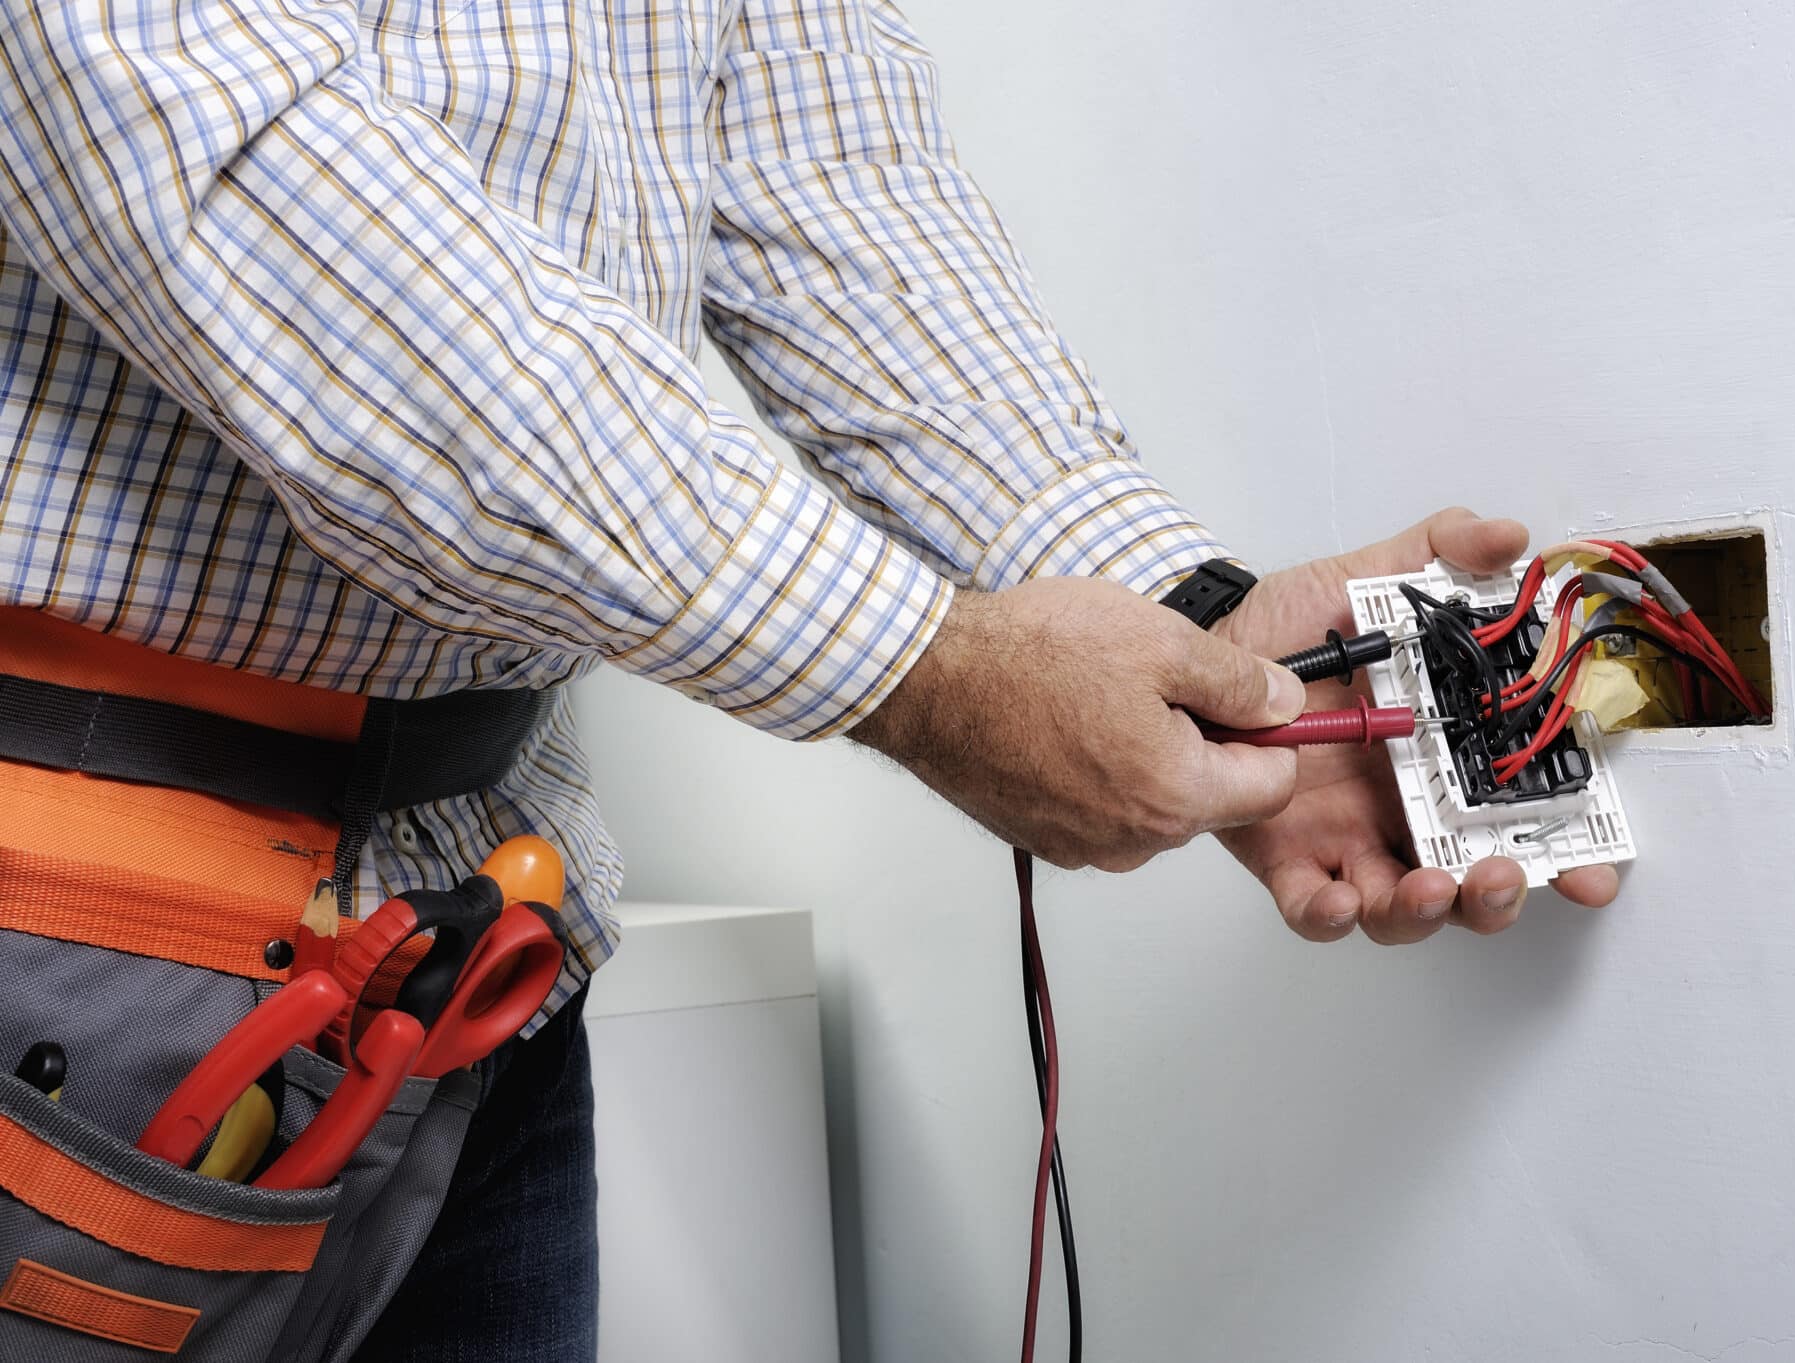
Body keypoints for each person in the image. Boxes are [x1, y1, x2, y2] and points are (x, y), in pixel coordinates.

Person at [0, 1, 1617, 1358]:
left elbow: (837, 188)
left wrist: (1198, 622)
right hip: (74, 930)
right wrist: (916, 667)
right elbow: (237, 187)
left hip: (478, 952)